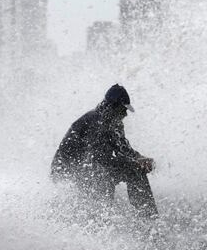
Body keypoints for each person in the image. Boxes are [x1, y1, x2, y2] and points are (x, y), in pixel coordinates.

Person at [51, 84, 158, 218]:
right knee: (108, 172)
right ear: (112, 106)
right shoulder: (96, 122)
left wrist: (140, 158)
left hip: (87, 168)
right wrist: (134, 163)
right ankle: (101, 221)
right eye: (122, 109)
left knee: (135, 169)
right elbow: (100, 160)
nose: (125, 114)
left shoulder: (113, 122)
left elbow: (123, 148)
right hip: (67, 175)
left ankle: (148, 219)